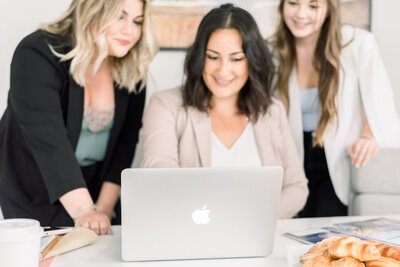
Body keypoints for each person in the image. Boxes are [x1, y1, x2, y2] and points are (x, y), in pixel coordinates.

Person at [0, 0, 157, 234]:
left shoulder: (131, 69)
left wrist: (103, 210)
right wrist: (84, 210)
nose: (130, 31)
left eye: (137, 21)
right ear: (91, 10)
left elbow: (126, 144)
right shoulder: (36, 53)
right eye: (119, 17)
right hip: (37, 185)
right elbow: (48, 140)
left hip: (96, 188)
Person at [140, 3, 308, 219]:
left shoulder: (272, 111)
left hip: (259, 238)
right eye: (212, 57)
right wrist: (216, 217)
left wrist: (253, 218)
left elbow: (296, 187)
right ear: (200, 57)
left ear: (252, 61)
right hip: (193, 238)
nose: (223, 70)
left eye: (236, 58)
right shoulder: (166, 105)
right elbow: (158, 168)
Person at [270, 0, 400, 217]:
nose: (301, 14)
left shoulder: (357, 43)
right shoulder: (273, 51)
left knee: (329, 231)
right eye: (293, 3)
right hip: (293, 159)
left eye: (313, 6)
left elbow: (380, 103)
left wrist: (367, 137)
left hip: (339, 156)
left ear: (329, 8)